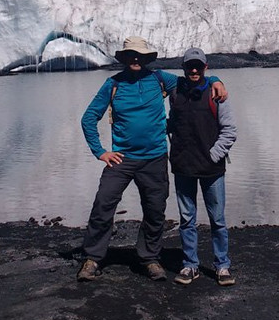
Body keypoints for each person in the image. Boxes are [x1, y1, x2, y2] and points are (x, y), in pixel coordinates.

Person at [77, 36, 226, 283]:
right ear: (124, 59)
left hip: (155, 158)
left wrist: (216, 80)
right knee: (103, 204)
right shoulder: (112, 84)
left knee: (155, 210)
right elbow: (89, 118)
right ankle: (93, 258)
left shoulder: (159, 79)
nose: (136, 59)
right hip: (121, 159)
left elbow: (191, 80)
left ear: (147, 59)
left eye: (140, 56)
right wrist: (101, 152)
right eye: (131, 55)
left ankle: (149, 258)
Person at [167, 48, 237, 287]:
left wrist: (212, 156)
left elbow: (229, 132)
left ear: (206, 67)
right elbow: (174, 123)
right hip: (183, 166)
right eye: (189, 66)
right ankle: (190, 265)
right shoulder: (175, 93)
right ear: (184, 68)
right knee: (187, 219)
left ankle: (222, 265)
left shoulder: (217, 95)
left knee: (217, 219)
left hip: (211, 168)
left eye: (198, 66)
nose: (194, 70)